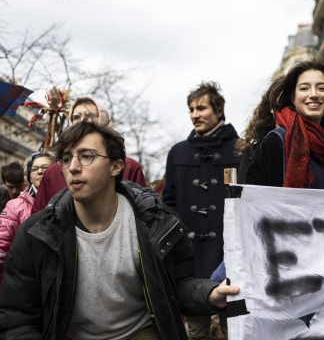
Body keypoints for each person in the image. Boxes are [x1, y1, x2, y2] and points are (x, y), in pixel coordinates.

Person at [0, 121, 239, 339]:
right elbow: (17, 318)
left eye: (86, 156)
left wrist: (210, 294)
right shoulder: (37, 233)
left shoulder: (157, 223)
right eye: (65, 158)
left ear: (116, 166)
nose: (72, 167)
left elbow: (177, 287)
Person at [162, 81, 241, 339]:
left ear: (218, 111)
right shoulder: (177, 153)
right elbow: (169, 203)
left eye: (202, 108)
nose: (195, 114)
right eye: (191, 109)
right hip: (190, 257)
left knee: (236, 329)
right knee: (196, 332)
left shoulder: (241, 150)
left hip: (231, 254)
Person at [244, 55, 324, 197]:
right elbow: (255, 204)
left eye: (321, 88)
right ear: (293, 97)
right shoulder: (276, 142)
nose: (313, 94)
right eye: (304, 88)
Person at [32, 96, 147, 213]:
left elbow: (143, 212)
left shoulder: (130, 166)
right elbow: (38, 221)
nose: (82, 120)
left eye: (90, 115)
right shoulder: (52, 172)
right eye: (76, 116)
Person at [0, 152, 53, 286]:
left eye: (45, 167)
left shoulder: (71, 202)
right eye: (34, 169)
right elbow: (2, 244)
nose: (40, 171)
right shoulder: (15, 205)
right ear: (28, 175)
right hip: (23, 280)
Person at [235, 76, 284, 184]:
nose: (287, 108)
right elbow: (244, 193)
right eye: (282, 101)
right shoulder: (253, 150)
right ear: (271, 107)